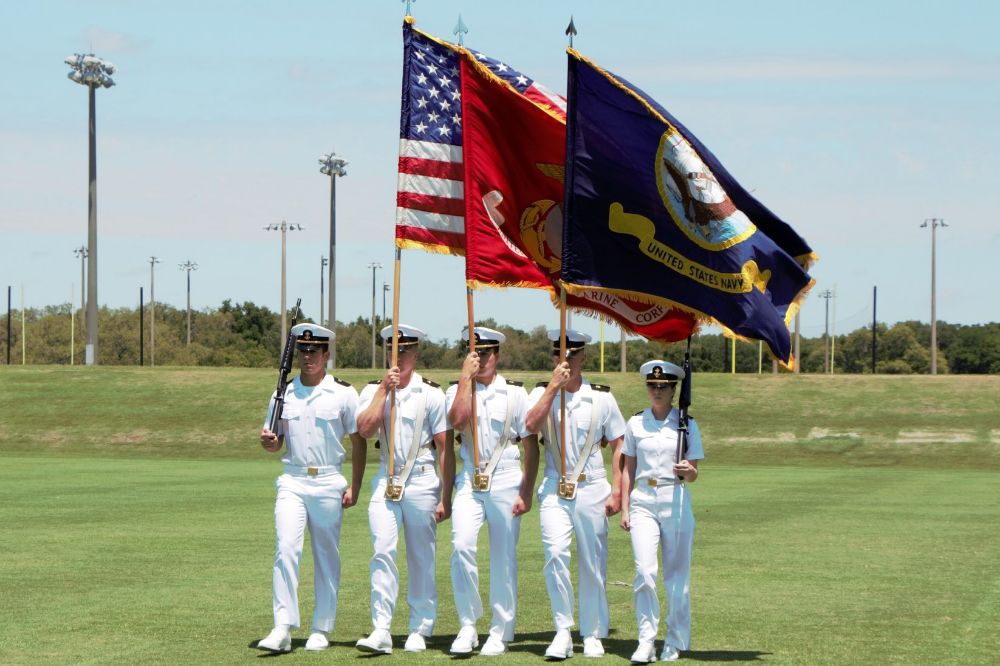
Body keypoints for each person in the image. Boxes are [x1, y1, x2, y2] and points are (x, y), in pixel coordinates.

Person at [256, 323, 366, 654]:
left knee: (326, 554)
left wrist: (355, 487)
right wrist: (269, 443)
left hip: (329, 479)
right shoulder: (283, 393)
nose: (308, 358)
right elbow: (275, 443)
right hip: (292, 478)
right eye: (303, 352)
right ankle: (283, 626)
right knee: (286, 548)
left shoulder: (344, 393)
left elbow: (359, 442)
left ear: (326, 354)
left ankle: (322, 626)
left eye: (314, 351)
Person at [525, 329, 626, 660]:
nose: (564, 360)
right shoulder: (542, 393)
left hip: (592, 485)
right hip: (555, 484)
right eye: (558, 355)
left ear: (583, 357)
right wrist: (553, 387)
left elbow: (619, 443)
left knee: (593, 561)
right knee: (555, 554)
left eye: (570, 355)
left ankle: (593, 631)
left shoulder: (601, 398)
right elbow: (529, 425)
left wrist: (617, 490)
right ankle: (562, 630)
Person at [354, 324, 454, 655]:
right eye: (393, 352)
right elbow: (365, 430)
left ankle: (420, 626)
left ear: (416, 354)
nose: (399, 358)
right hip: (387, 477)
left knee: (421, 556)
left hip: (423, 478)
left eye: (405, 352)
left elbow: (444, 448)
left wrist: (445, 495)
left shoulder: (431, 394)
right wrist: (384, 390)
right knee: (382, 549)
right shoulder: (373, 390)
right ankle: (381, 627)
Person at [446, 326, 539, 657]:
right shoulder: (458, 389)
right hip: (470, 480)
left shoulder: (514, 393)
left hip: (505, 478)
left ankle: (500, 629)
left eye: (485, 353)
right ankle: (468, 624)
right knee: (460, 546)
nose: (480, 359)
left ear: (496, 355)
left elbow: (531, 446)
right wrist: (464, 380)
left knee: (502, 557)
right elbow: (457, 421)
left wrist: (526, 492)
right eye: (474, 353)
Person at [620, 360, 704, 663]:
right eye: (652, 385)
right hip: (643, 498)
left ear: (673, 390)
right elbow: (627, 468)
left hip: (674, 497)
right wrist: (625, 508)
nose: (657, 390)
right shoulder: (636, 423)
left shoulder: (686, 424)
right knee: (644, 571)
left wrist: (687, 470)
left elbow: (694, 471)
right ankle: (646, 639)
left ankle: (675, 639)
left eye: (663, 386)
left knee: (676, 576)